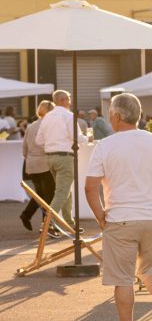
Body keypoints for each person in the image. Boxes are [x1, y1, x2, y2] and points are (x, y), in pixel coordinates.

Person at [84, 93, 152, 321]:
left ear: (117, 116)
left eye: (110, 114)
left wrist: (101, 217)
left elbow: (90, 188)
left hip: (121, 219)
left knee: (123, 278)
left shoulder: (105, 146)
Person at [34, 89, 81, 226]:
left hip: (51, 158)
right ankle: (48, 223)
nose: (70, 102)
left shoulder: (47, 117)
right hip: (65, 157)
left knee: (65, 190)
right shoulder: (68, 115)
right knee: (62, 192)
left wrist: (52, 144)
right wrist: (87, 139)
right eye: (69, 99)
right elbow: (76, 136)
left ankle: (69, 223)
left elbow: (38, 141)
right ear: (63, 100)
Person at [19, 100, 55, 233]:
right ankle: (46, 226)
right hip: (44, 163)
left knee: (40, 194)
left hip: (31, 164)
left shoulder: (31, 125)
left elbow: (24, 148)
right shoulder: (49, 125)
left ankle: (26, 215)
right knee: (48, 196)